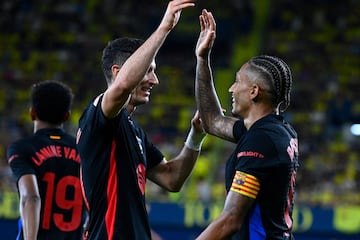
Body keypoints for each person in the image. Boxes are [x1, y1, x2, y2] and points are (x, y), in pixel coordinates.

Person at [76, 1, 206, 239]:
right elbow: (123, 86)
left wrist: (196, 134)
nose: (154, 80)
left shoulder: (133, 130)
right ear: (117, 71)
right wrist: (164, 28)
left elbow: (172, 178)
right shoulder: (97, 116)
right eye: (148, 69)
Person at [194, 9, 299, 239]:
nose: (231, 89)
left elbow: (231, 218)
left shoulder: (262, 140)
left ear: (254, 91)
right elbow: (211, 121)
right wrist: (203, 60)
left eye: (237, 81)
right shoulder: (274, 130)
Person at [7, 80, 85, 240]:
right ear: (67, 116)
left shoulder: (22, 148)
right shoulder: (84, 150)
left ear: (32, 113)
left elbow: (31, 197)